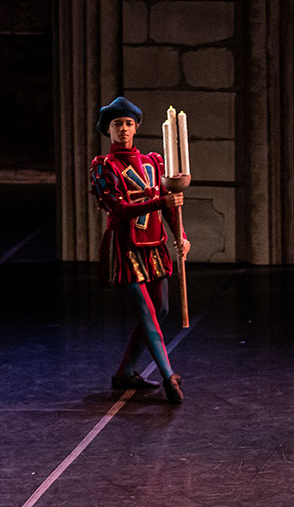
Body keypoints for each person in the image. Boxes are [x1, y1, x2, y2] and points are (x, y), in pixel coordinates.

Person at [89, 96, 190, 404]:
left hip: (154, 246)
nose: (123, 129)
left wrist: (180, 235)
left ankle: (126, 372)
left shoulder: (153, 162)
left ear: (136, 128)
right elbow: (118, 209)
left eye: (128, 123)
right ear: (108, 130)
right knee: (146, 311)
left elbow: (171, 206)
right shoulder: (103, 166)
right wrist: (161, 202)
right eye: (117, 124)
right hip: (125, 247)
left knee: (160, 309)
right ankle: (167, 373)